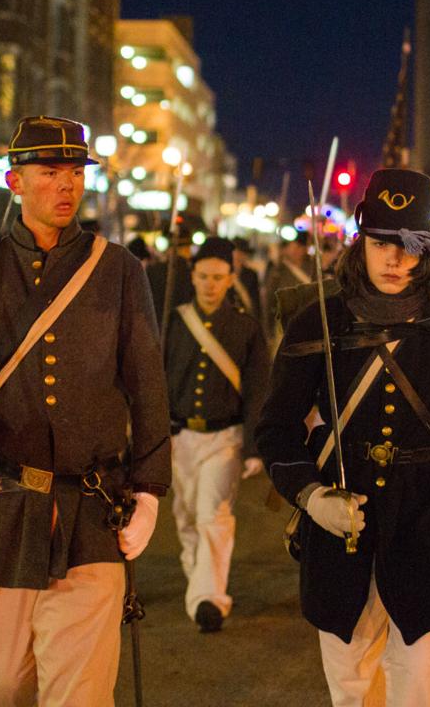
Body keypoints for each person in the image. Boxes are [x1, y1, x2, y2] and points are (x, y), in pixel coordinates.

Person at [0, 116, 172, 706]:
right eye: (50, 172)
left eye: (75, 173)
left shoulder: (119, 270)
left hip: (93, 510)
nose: (66, 186)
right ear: (15, 182)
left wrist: (149, 492)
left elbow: (148, 386)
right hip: (2, 511)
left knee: (81, 694)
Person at [256, 168, 430, 706]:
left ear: (428, 249)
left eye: (409, 245)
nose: (395, 260)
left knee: (421, 684)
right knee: (351, 686)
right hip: (339, 528)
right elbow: (275, 430)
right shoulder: (316, 321)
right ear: (359, 242)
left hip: (427, 521)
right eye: (380, 244)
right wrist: (311, 496)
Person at [165, 236, 270, 633]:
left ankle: (210, 598)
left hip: (225, 438)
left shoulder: (245, 328)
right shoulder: (172, 322)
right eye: (204, 275)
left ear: (231, 278)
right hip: (180, 437)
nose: (210, 284)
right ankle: (199, 582)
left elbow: (259, 387)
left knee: (213, 515)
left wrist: (255, 446)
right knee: (186, 516)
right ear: (192, 276)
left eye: (219, 277)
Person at [263, 232, 313, 342]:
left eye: (300, 247)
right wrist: (268, 330)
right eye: (293, 246)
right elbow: (268, 300)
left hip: (309, 323)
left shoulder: (312, 268)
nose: (296, 251)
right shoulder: (278, 271)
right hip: (284, 324)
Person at [230, 237, 263, 322]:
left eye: (242, 253)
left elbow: (256, 301)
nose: (239, 255)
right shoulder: (224, 273)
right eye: (236, 252)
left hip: (246, 318)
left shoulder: (251, 274)